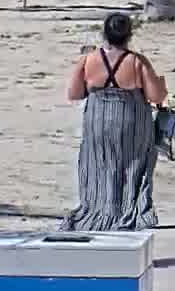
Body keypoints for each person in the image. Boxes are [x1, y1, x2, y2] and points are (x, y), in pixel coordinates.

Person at [62, 12, 167, 231]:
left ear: (104, 33)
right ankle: (128, 209)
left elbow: (74, 93)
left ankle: (98, 210)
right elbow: (156, 96)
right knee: (133, 165)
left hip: (98, 121)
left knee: (100, 165)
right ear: (129, 35)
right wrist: (161, 85)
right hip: (131, 122)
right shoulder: (136, 61)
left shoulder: (89, 60)